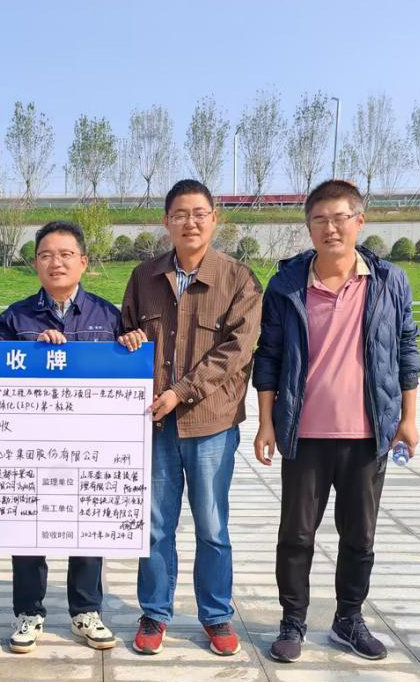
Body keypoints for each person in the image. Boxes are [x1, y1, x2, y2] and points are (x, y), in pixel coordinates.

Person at [252, 179, 420, 663]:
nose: (331, 228)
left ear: (359, 222)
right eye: (320, 220)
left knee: (360, 536)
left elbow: (406, 348)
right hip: (304, 433)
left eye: (340, 218)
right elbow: (269, 355)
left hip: (368, 434)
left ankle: (349, 618)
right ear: (309, 227)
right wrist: (266, 423)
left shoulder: (388, 282)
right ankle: (293, 621)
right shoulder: (287, 285)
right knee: (296, 535)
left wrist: (408, 418)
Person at [118, 179, 262, 656]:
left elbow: (237, 351)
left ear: (215, 218)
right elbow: (126, 331)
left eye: (200, 213)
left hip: (211, 425)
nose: (190, 222)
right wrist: (128, 340)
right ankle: (154, 612)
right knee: (155, 525)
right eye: (180, 214)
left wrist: (180, 392)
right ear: (167, 222)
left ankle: (216, 615)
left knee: (212, 526)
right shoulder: (144, 277)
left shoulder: (238, 279)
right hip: (156, 424)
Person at [0, 220, 121, 653]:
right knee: (28, 527)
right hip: (30, 443)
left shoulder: (108, 316)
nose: (56, 263)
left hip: (89, 443)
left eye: (65, 255)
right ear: (35, 264)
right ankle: (29, 612)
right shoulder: (16, 317)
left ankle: (86, 611)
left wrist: (134, 343)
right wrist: (32, 354)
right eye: (46, 255)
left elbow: (126, 373)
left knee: (87, 524)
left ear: (84, 262)